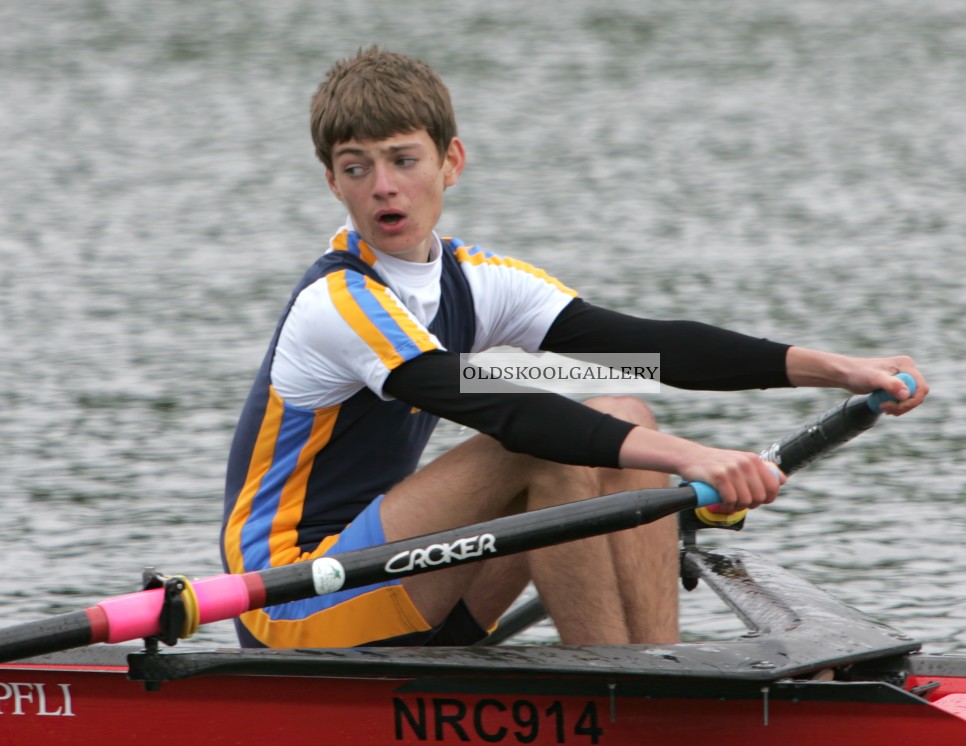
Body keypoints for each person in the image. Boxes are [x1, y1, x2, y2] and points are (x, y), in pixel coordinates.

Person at [219, 47, 928, 649]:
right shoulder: (339, 304)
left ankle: (654, 666)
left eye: (403, 159)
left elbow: (649, 353)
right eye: (355, 168)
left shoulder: (478, 280)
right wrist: (694, 459)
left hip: (402, 574)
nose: (382, 187)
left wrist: (834, 368)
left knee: (627, 408)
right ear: (331, 181)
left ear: (451, 161)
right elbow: (505, 411)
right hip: (292, 596)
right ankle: (619, 692)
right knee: (543, 450)